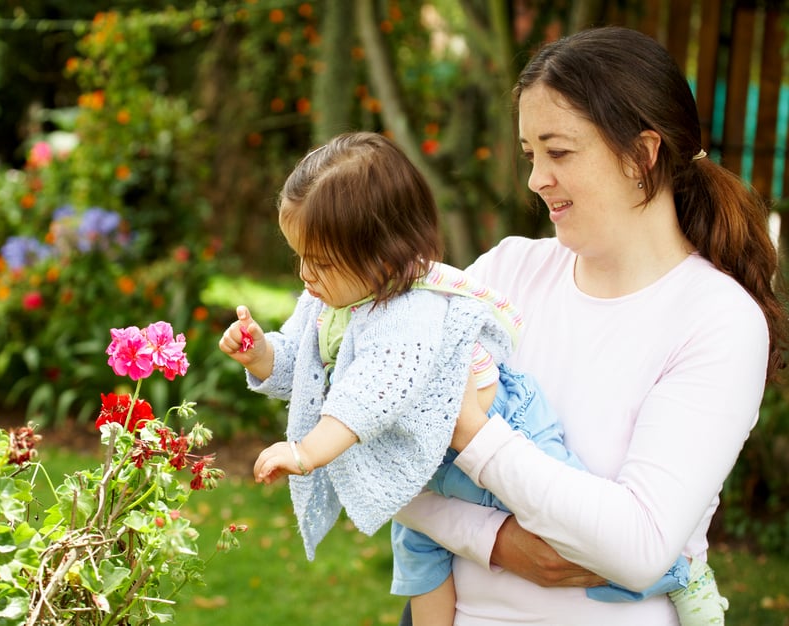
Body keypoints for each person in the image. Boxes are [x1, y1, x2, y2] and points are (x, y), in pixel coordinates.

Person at [217, 130, 712, 626]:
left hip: (510, 427)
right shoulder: (329, 300)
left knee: (576, 538)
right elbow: (302, 368)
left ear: (383, 260)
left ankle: (678, 575)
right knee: (417, 558)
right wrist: (261, 354)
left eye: (321, 263)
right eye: (299, 257)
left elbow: (368, 398)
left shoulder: (407, 311)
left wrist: (304, 453)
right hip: (440, 458)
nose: (306, 275)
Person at [389, 25, 786, 625]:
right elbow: (378, 448)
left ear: (642, 155)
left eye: (560, 151)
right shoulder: (504, 272)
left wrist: (474, 437)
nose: (535, 178)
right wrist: (498, 542)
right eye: (530, 154)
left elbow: (638, 547)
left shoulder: (718, 320)